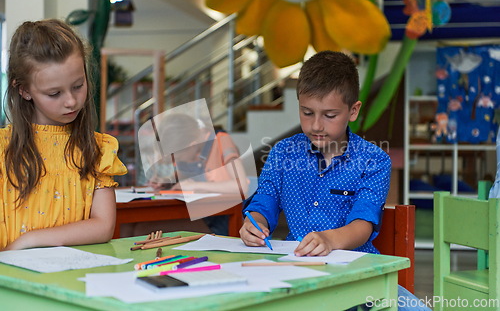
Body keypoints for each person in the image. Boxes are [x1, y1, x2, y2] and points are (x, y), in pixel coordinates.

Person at [240, 51, 431, 310]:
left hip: (359, 275)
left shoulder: (374, 160)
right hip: (298, 271)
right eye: (307, 112)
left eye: (329, 115)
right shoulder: (282, 153)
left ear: (353, 111)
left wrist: (329, 240)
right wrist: (254, 223)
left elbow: (363, 223)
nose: (316, 125)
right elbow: (266, 199)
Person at [0, 19, 127, 251]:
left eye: (78, 85)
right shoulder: (2, 150)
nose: (71, 101)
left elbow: (103, 225)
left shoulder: (99, 148)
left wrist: (30, 240)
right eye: (54, 93)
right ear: (25, 90)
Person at [134, 113, 249, 236]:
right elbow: (187, 172)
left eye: (178, 157)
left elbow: (241, 185)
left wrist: (195, 186)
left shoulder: (222, 141)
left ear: (191, 145)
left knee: (142, 230)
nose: (177, 162)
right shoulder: (192, 148)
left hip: (224, 221)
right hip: (200, 213)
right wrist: (168, 179)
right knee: (133, 225)